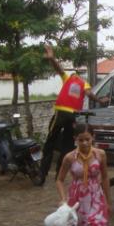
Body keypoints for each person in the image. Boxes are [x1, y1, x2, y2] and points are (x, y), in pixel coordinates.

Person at [55, 123, 110, 226]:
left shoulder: (100, 154)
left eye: (87, 139)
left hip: (96, 198)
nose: (85, 143)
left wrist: (109, 201)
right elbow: (59, 179)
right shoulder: (70, 158)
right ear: (75, 140)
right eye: (81, 140)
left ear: (93, 138)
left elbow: (106, 177)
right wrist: (63, 199)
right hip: (77, 200)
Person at [41, 44, 97, 183]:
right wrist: (100, 100)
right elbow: (90, 95)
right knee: (66, 146)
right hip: (72, 116)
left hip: (61, 113)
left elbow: (59, 69)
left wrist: (52, 58)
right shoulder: (84, 84)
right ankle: (59, 175)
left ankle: (42, 175)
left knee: (50, 143)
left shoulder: (68, 78)